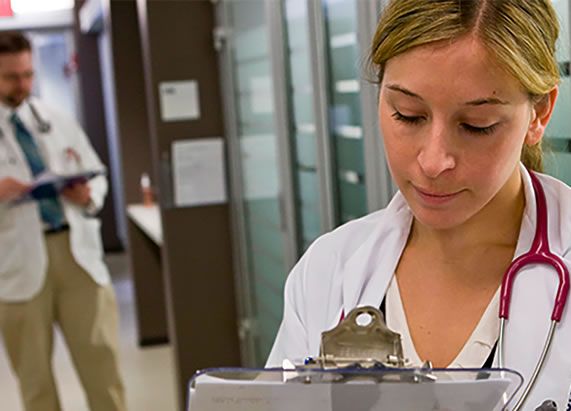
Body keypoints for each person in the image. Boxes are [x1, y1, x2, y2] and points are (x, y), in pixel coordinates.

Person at [267, 0, 571, 409]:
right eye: (408, 115)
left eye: (475, 126)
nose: (433, 161)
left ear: (540, 113)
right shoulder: (329, 272)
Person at [0, 32, 125, 411]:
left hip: (75, 254)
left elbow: (97, 172)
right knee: (35, 380)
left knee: (102, 368)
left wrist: (89, 196)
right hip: (17, 264)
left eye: (27, 74)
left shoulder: (56, 119)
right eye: (11, 77)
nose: (22, 85)